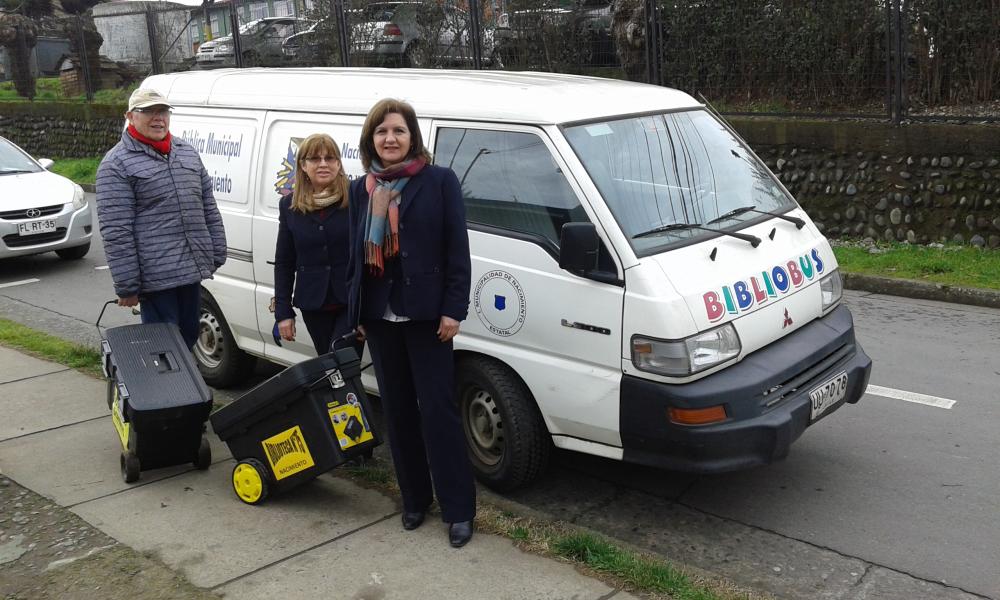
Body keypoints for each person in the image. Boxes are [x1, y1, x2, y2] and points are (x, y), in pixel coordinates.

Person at [346, 98, 476, 548]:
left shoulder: (439, 182)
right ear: (371, 140)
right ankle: (415, 500)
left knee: (438, 412)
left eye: (398, 131)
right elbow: (353, 258)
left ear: (412, 136)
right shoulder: (359, 189)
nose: (390, 139)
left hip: (428, 318)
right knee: (397, 413)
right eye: (382, 132)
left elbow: (456, 249)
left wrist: (453, 310)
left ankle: (458, 510)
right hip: (380, 319)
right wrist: (357, 316)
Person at [95, 88, 226, 349]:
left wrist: (216, 251)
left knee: (189, 338)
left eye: (163, 111)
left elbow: (207, 206)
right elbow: (116, 230)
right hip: (155, 280)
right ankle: (167, 389)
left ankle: (186, 389)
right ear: (130, 117)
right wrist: (127, 285)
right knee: (164, 347)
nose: (158, 118)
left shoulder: (186, 152)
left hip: (190, 271)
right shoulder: (116, 164)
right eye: (148, 112)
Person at [273, 133, 360, 358]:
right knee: (329, 367)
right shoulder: (289, 205)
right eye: (315, 159)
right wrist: (283, 312)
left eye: (330, 158)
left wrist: (367, 311)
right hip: (313, 304)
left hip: (351, 304)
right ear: (303, 165)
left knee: (341, 363)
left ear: (339, 164)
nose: (323, 164)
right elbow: (284, 261)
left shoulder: (356, 199)